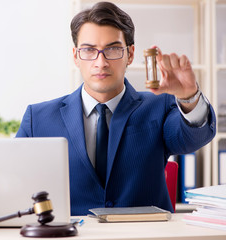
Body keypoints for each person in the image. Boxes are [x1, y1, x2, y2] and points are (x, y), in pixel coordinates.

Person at [16, 1, 216, 216]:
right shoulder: (38, 119)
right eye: (89, 50)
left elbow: (193, 139)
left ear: (130, 54)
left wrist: (188, 96)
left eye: (112, 49)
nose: (100, 62)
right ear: (75, 56)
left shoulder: (160, 106)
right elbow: (12, 182)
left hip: (143, 236)